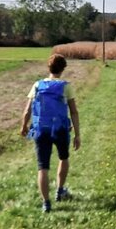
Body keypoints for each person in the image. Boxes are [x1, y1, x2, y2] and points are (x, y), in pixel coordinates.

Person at [21, 54, 81, 212]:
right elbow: (74, 112)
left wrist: (23, 126)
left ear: (49, 68)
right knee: (63, 157)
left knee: (43, 167)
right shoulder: (66, 86)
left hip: (41, 130)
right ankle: (60, 190)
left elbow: (27, 110)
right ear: (63, 69)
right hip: (60, 129)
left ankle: (46, 203)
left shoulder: (37, 85)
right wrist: (77, 134)